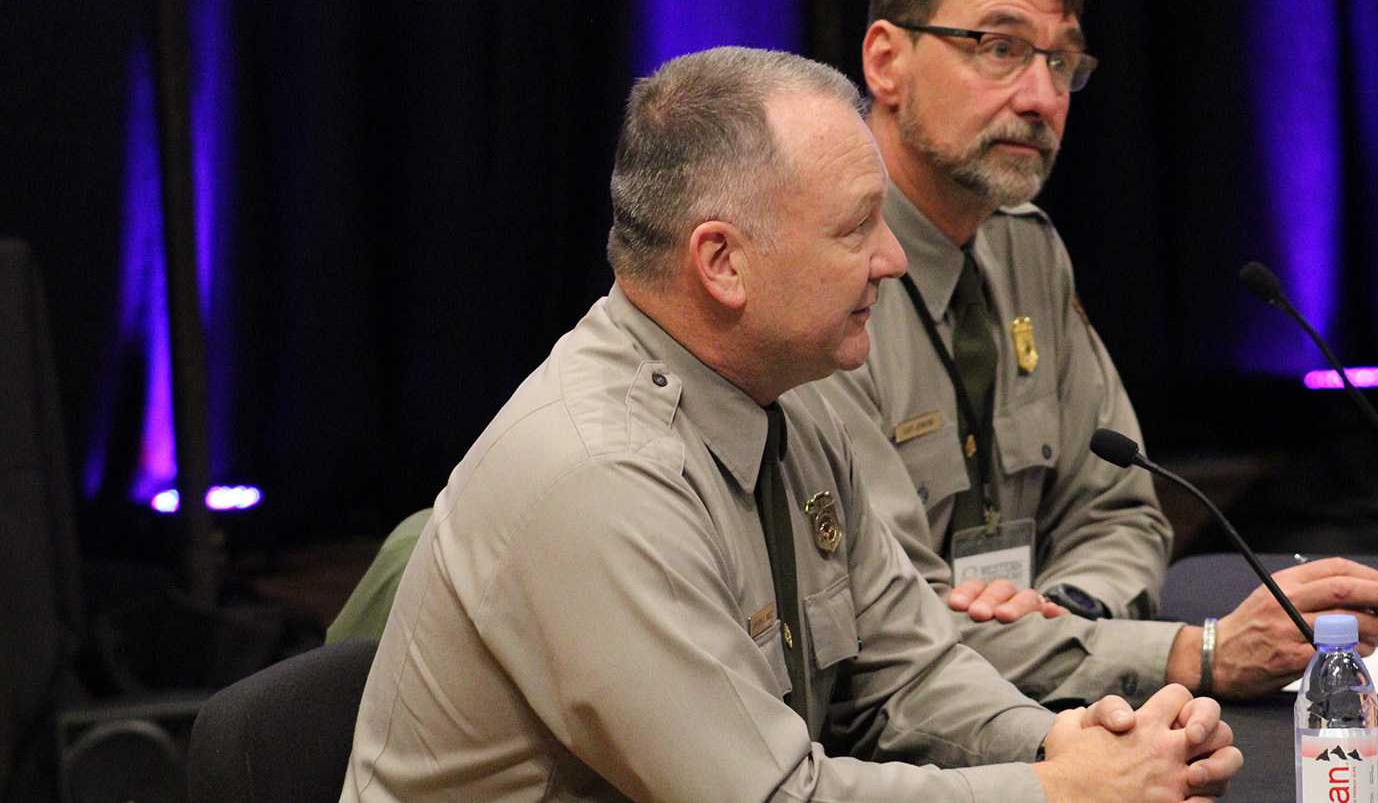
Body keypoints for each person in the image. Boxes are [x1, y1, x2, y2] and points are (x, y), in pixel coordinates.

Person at [340, 47, 1239, 802]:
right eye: (856, 228)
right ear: (722, 262)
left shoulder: (790, 397)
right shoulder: (599, 475)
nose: (893, 258)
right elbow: (772, 796)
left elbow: (910, 671)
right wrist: (1058, 789)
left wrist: (1068, 739)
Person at [817, 0, 1378, 705]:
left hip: (1030, 693)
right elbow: (893, 627)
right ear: (886, 62)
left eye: (1061, 61)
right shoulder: (816, 274)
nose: (1041, 97)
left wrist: (1068, 610)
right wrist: (1198, 652)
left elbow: (1121, 509)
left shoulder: (1026, 248)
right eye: (1000, 48)